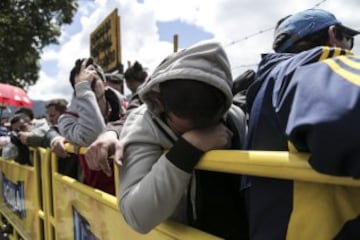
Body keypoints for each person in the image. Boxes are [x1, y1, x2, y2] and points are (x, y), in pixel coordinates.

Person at [245, 9, 360, 240]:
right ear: (333, 34)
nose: (350, 47)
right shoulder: (313, 65)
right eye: (348, 38)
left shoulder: (265, 85)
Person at [119, 41, 248, 239]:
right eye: (184, 127)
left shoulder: (235, 116)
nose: (198, 129)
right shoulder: (144, 123)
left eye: (206, 123)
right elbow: (136, 215)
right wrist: (188, 147)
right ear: (159, 102)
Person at [58, 58, 126, 194]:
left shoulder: (126, 108)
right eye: (84, 84)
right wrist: (83, 88)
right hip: (98, 199)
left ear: (105, 83)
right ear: (77, 89)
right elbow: (95, 135)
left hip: (129, 193)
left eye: (93, 81)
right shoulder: (67, 120)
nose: (89, 87)